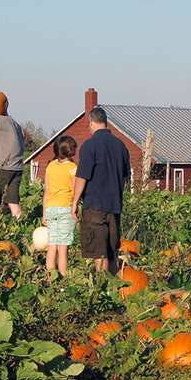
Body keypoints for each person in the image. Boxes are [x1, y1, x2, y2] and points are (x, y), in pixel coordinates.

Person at [71, 107, 131, 274]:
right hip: (115, 206)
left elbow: (82, 176)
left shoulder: (90, 146)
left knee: (100, 253)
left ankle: (102, 290)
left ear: (91, 123)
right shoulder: (121, 146)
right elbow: (126, 177)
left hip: (95, 206)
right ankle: (113, 292)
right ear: (105, 122)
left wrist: (75, 202)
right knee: (112, 252)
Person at [42, 135, 78, 278]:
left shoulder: (50, 166)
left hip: (51, 208)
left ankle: (50, 280)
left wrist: (44, 213)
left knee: (52, 247)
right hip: (65, 208)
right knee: (63, 249)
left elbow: (47, 191)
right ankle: (63, 280)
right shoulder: (73, 168)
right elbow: (76, 191)